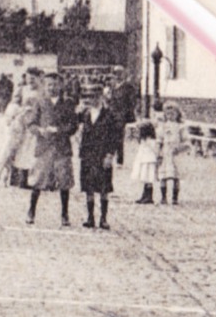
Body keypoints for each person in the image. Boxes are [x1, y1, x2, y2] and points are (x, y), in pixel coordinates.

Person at [26, 74, 76, 226]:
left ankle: (65, 214)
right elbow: (31, 124)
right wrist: (40, 131)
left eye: (55, 84)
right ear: (45, 86)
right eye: (49, 85)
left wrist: (59, 130)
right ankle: (31, 211)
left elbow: (73, 125)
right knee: (38, 181)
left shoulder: (68, 103)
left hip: (62, 148)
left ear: (60, 86)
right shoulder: (40, 103)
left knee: (64, 182)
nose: (52, 88)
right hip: (44, 148)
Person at [78, 86, 125, 229]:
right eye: (89, 97)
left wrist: (110, 155)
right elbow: (80, 132)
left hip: (103, 154)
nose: (91, 99)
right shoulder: (85, 114)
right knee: (89, 187)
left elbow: (115, 137)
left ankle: (103, 218)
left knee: (104, 187)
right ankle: (90, 217)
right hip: (88, 155)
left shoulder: (110, 115)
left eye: (94, 96)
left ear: (101, 97)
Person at [156, 104, 190, 206]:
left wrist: (180, 148)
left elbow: (186, 141)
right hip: (165, 152)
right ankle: (163, 197)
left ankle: (175, 198)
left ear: (177, 114)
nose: (170, 116)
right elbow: (159, 139)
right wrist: (158, 151)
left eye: (172, 114)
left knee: (176, 176)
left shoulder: (181, 127)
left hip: (176, 154)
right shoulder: (163, 126)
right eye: (168, 114)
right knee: (163, 175)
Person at [133, 118, 161, 204]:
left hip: (149, 160)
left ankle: (149, 196)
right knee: (145, 178)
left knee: (149, 178)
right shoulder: (143, 141)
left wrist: (158, 157)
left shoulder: (150, 140)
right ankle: (144, 195)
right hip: (144, 160)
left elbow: (155, 150)